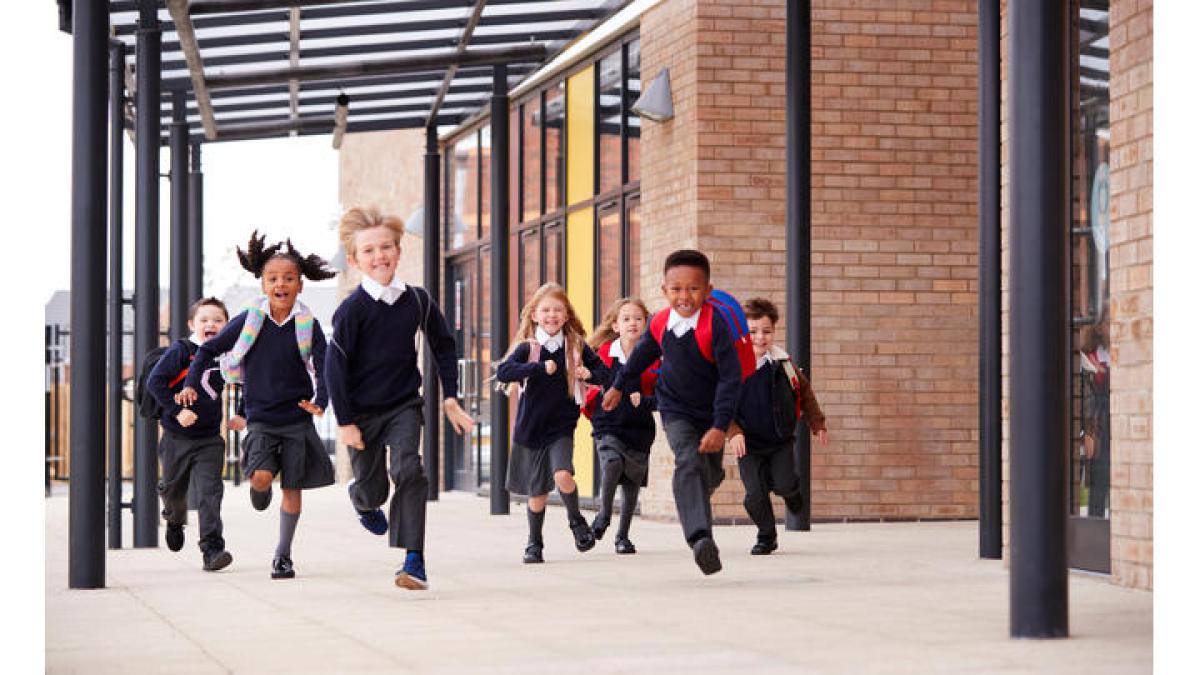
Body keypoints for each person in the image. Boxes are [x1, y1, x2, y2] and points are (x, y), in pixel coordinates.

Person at [325, 206, 475, 590]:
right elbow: (335, 368)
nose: (380, 256)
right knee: (373, 487)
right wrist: (344, 422)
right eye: (370, 251)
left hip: (404, 405)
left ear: (398, 250)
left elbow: (443, 345)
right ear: (356, 260)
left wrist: (450, 396)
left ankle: (413, 560)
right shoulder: (350, 311)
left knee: (410, 470)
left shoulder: (418, 300)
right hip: (360, 413)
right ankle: (362, 498)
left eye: (386, 247)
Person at [178, 232, 337, 580]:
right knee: (263, 477)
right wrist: (191, 383)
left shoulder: (307, 324)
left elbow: (325, 365)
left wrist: (321, 400)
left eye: (289, 278)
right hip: (261, 417)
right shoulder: (250, 318)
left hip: (296, 416)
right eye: (273, 278)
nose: (281, 284)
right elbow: (207, 349)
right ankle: (259, 487)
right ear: (263, 283)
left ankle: (283, 555)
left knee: (293, 488)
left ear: (300, 285)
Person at [602, 249, 742, 576]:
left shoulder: (716, 326)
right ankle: (701, 539)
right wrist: (619, 384)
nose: (684, 296)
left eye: (693, 288)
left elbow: (730, 379)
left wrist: (721, 426)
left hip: (711, 412)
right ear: (664, 290)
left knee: (709, 472)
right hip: (675, 407)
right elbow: (641, 357)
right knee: (688, 460)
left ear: (708, 291)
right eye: (676, 289)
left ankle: (702, 487)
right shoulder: (662, 322)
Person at [496, 282, 611, 564]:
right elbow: (504, 371)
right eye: (546, 310)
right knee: (537, 493)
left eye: (558, 310)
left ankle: (576, 522)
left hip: (561, 425)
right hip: (531, 427)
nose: (552, 315)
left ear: (567, 315)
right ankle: (534, 543)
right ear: (534, 315)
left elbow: (604, 373)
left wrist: (588, 374)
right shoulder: (529, 348)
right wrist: (536, 368)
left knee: (562, 474)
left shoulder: (576, 346)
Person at [146, 297, 242, 572]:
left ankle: (212, 549)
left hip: (210, 438)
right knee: (173, 489)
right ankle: (174, 519)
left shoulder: (228, 355)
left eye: (218, 320)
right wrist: (177, 411)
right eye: (204, 320)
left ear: (226, 326)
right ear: (192, 324)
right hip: (177, 437)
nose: (211, 324)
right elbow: (156, 382)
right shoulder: (182, 350)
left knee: (211, 493)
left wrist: (244, 412)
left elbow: (248, 381)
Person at [726, 297, 827, 555]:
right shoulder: (732, 367)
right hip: (748, 444)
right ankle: (766, 536)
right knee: (755, 496)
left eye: (766, 331)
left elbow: (804, 392)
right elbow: (720, 405)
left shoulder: (783, 363)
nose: (760, 337)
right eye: (753, 332)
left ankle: (791, 493)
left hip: (779, 440)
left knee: (783, 483)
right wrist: (733, 432)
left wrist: (817, 423)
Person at [585, 297, 657, 555]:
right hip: (608, 421)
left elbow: (664, 393)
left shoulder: (654, 357)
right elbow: (589, 378)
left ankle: (623, 537)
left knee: (631, 484)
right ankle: (603, 515)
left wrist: (647, 400)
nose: (632, 323)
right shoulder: (603, 354)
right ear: (615, 325)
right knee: (612, 462)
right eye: (626, 319)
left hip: (639, 427)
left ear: (646, 324)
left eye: (638, 319)